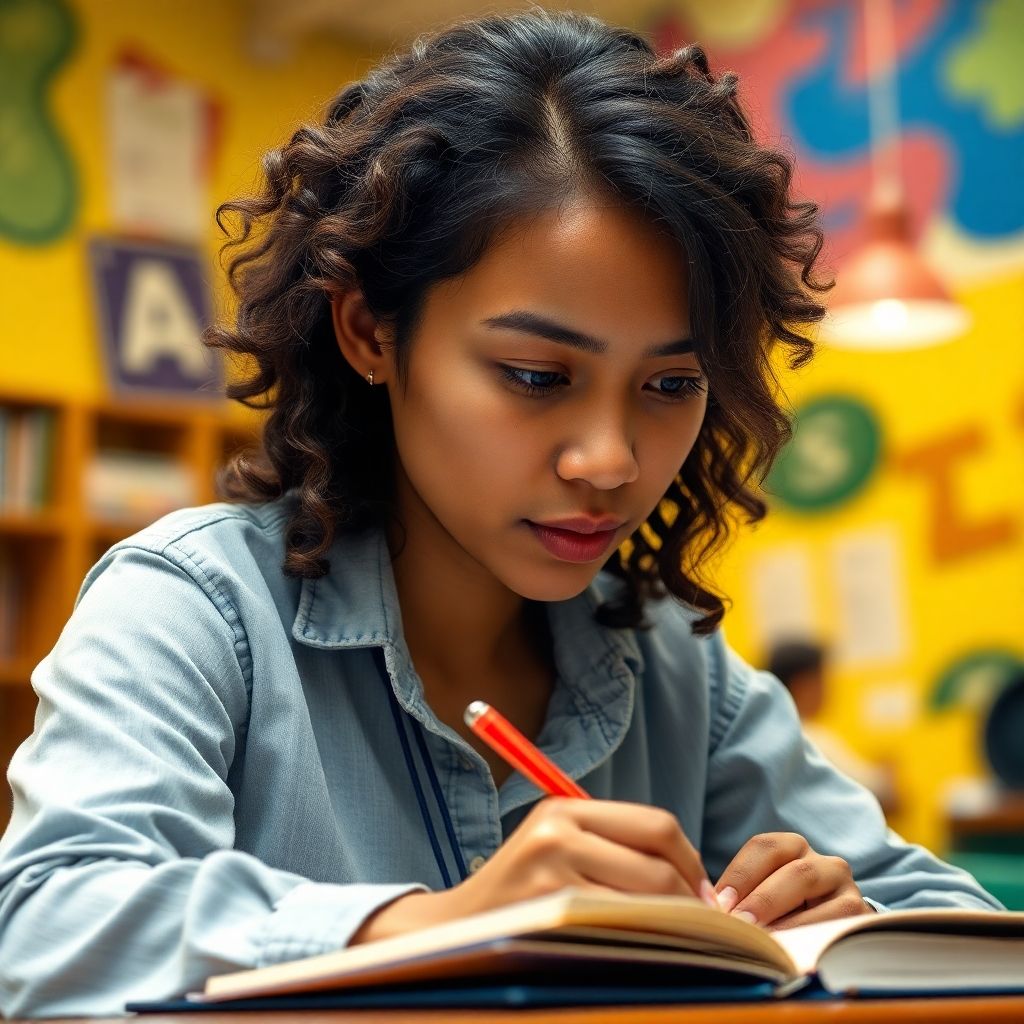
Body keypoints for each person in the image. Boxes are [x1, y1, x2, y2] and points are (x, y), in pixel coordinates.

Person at [0, 9, 1000, 1018]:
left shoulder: (673, 669)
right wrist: (435, 927)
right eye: (534, 374)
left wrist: (845, 922)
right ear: (368, 331)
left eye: (670, 385)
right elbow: (44, 931)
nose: (608, 460)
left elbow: (954, 931)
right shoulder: (197, 611)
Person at [767, 640, 900, 814]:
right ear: (803, 685)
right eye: (822, 679)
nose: (829, 688)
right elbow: (881, 793)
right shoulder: (810, 736)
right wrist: (889, 773)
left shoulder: (771, 733)